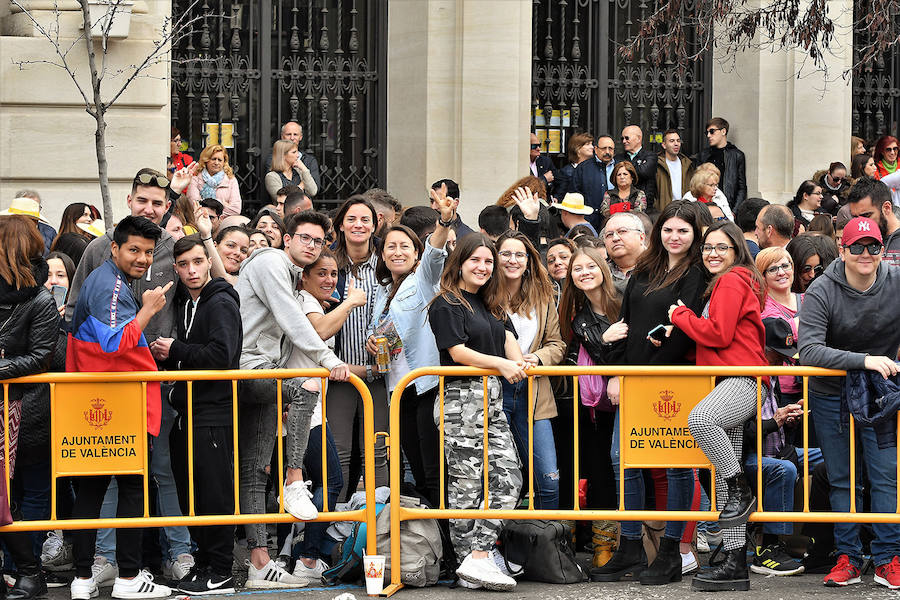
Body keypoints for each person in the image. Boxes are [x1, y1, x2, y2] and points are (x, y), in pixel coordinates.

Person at [64, 168, 193, 586]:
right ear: (114, 248)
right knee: (124, 487)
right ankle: (123, 576)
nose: (142, 258)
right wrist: (149, 311)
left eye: (147, 251)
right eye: (133, 250)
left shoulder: (130, 270)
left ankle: (93, 577)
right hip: (113, 397)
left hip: (130, 395)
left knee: (112, 486)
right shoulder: (106, 275)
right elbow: (114, 342)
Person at [235, 210, 350, 588]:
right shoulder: (270, 262)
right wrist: (329, 359)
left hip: (265, 372)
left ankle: (259, 564)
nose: (312, 246)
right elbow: (290, 319)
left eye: (318, 241)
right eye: (305, 238)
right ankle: (295, 478)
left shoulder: (284, 273)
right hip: (250, 368)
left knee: (255, 469)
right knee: (304, 389)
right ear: (286, 239)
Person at [597, 200, 707, 586]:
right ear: (657, 232)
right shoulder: (645, 270)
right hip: (634, 377)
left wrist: (648, 368)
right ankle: (629, 547)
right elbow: (625, 325)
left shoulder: (696, 273)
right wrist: (617, 369)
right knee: (621, 460)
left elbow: (684, 332)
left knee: (678, 467)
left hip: (673, 381)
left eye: (683, 230)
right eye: (668, 229)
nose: (674, 236)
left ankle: (672, 551)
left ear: (695, 235)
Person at [799, 216, 900, 589]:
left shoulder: (895, 281)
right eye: (856, 246)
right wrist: (864, 360)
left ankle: (890, 558)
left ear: (881, 249)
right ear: (842, 250)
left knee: (885, 475)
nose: (864, 253)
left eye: (872, 245)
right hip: (831, 396)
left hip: (881, 395)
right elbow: (807, 350)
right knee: (843, 479)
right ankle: (848, 556)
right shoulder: (823, 288)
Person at [669, 220, 768, 592]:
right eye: (707, 247)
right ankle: (734, 561)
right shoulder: (737, 280)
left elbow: (719, 333)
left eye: (721, 247)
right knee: (726, 497)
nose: (712, 253)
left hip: (741, 380)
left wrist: (680, 317)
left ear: (737, 250)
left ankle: (741, 487)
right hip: (731, 379)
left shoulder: (732, 279)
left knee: (701, 419)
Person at [427, 233, 525, 591]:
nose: (483, 267)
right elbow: (457, 352)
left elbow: (511, 344)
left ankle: (477, 556)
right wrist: (501, 363)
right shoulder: (447, 303)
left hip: (492, 398)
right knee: (467, 486)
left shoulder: (492, 303)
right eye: (475, 261)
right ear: (460, 263)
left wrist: (517, 360)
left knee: (509, 478)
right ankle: (472, 560)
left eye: (488, 261)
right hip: (460, 401)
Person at [150, 235, 241, 595]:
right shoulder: (190, 303)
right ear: (176, 267)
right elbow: (197, 352)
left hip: (213, 412)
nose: (191, 270)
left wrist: (176, 349)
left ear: (208, 262)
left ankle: (220, 570)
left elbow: (221, 355)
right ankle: (206, 565)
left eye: (197, 262)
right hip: (190, 411)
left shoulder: (218, 302)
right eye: (184, 264)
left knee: (214, 493)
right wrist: (174, 357)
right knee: (195, 495)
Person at [366, 188, 454, 506]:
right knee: (415, 467)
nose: (398, 252)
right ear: (383, 254)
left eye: (405, 246)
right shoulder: (384, 291)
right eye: (391, 246)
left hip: (426, 385)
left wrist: (444, 221)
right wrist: (374, 345)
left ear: (415, 253)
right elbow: (384, 345)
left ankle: (448, 545)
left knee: (432, 470)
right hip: (398, 390)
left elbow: (435, 254)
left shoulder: (424, 280)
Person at [0, 216, 60, 600]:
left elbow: (41, 358)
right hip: (11, 404)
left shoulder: (40, 299)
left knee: (26, 492)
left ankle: (28, 570)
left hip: (25, 408)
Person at [293, 249, 359, 581]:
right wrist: (349, 302)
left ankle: (300, 556)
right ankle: (307, 558)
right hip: (303, 408)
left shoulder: (313, 303)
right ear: (304, 276)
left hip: (310, 407)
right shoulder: (306, 303)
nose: (329, 279)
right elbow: (319, 332)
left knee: (309, 484)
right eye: (321, 273)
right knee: (330, 480)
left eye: (333, 273)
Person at [556, 245, 623, 565]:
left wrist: (616, 372)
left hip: (623, 400)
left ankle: (609, 546)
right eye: (577, 269)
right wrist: (607, 340)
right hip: (583, 403)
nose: (584, 272)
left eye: (590, 266)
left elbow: (636, 348)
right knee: (586, 468)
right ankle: (585, 546)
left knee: (611, 471)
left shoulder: (624, 300)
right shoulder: (577, 315)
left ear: (602, 268)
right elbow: (600, 351)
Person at [494, 224, 565, 510]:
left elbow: (557, 344)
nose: (513, 260)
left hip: (534, 391)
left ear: (528, 260)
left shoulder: (544, 296)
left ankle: (550, 547)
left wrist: (537, 358)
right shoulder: (483, 295)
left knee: (549, 478)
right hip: (496, 390)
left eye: (519, 255)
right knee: (501, 479)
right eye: (506, 253)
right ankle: (498, 550)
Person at [327, 197, 389, 501]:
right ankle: (335, 528)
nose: (358, 225)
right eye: (351, 219)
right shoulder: (328, 265)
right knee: (338, 452)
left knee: (377, 451)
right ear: (341, 224)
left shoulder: (387, 263)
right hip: (338, 374)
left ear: (375, 225)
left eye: (365, 220)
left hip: (380, 374)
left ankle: (378, 527)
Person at [692, 117, 747, 210]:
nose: (709, 135)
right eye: (707, 133)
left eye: (712, 131)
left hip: (728, 207)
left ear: (723, 131)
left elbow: (741, 187)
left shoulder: (737, 155)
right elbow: (697, 183)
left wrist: (734, 211)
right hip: (706, 206)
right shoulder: (703, 155)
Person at [847, 176, 900, 266]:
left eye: (866, 216)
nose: (861, 223)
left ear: (886, 208)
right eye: (855, 217)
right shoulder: (854, 242)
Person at [573, 134, 616, 231]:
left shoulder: (620, 167)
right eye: (604, 148)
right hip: (590, 220)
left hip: (615, 218)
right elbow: (575, 193)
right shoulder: (583, 168)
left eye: (611, 149)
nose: (607, 152)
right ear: (596, 149)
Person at [186, 145, 242, 218]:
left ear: (224, 162)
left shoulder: (231, 180)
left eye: (220, 160)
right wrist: (223, 204)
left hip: (223, 223)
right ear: (206, 160)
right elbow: (194, 206)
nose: (216, 163)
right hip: (200, 221)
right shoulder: (195, 179)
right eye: (213, 159)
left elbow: (236, 210)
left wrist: (206, 204)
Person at [602, 211, 646, 293]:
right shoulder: (601, 273)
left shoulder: (659, 266)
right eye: (609, 235)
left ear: (641, 237)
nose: (615, 238)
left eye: (622, 231)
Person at [615, 125, 657, 209]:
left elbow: (644, 172)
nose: (624, 141)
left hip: (644, 207)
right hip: (621, 205)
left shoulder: (651, 156)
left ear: (638, 138)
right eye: (622, 138)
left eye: (627, 138)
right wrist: (637, 166)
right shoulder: (618, 158)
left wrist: (624, 167)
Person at [272, 122, 321, 190]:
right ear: (282, 136)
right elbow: (278, 192)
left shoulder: (310, 160)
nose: (292, 138)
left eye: (295, 134)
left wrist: (303, 169)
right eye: (288, 134)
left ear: (300, 137)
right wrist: (302, 185)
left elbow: (315, 189)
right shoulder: (273, 158)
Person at [656, 129, 695, 211]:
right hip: (664, 210)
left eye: (678, 141)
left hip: (684, 210)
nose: (676, 144)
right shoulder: (657, 164)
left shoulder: (687, 164)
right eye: (672, 141)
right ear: (664, 145)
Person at [554, 132, 595, 201]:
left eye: (591, 144)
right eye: (588, 144)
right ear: (578, 149)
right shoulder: (566, 172)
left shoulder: (594, 168)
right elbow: (561, 195)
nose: (592, 147)